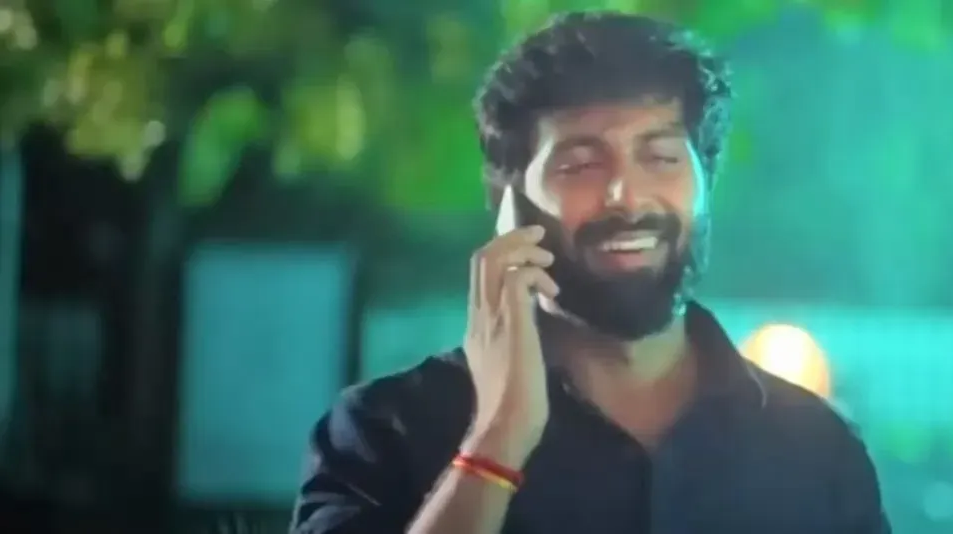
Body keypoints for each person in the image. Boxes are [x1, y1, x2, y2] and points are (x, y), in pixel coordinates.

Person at [290, 10, 889, 534]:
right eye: (580, 164)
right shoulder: (383, 433)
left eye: (660, 157)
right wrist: (498, 439)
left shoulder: (817, 451)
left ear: (705, 181)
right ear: (508, 201)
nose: (627, 196)